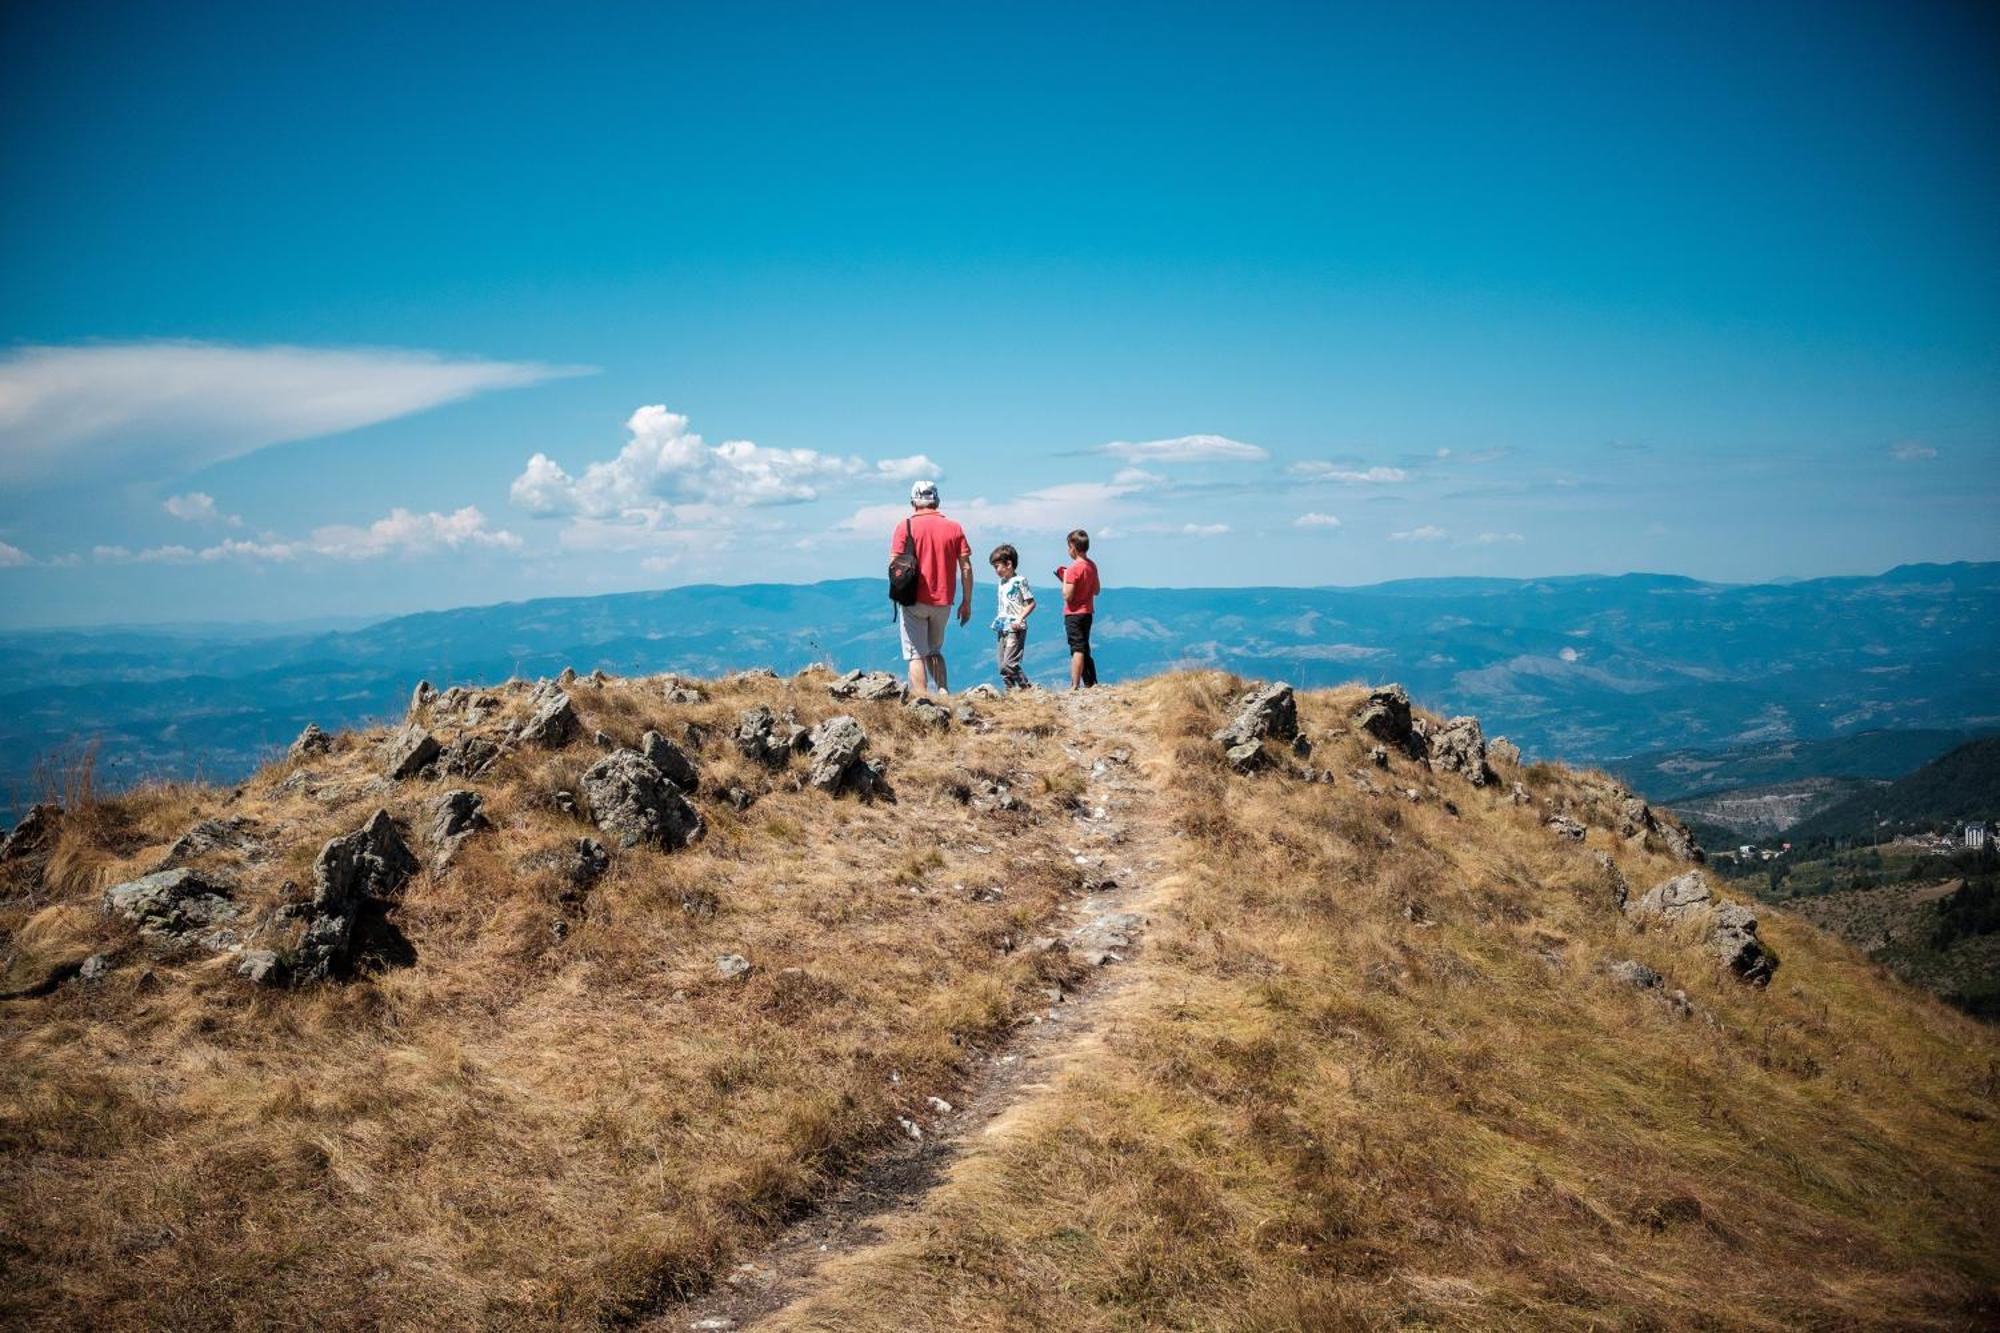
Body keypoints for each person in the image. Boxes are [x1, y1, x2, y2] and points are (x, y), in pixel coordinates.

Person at [888, 479, 972, 695]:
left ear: (913, 501)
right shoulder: (954, 527)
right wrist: (966, 602)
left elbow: (894, 564)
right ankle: (943, 691)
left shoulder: (904, 526)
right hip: (944, 600)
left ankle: (923, 700)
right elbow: (966, 567)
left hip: (913, 598)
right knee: (934, 650)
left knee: (916, 654)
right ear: (936, 500)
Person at [988, 544, 1035, 690]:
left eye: (997, 566)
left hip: (1015, 627)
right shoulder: (1001, 582)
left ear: (1009, 564)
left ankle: (1026, 688)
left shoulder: (1020, 581)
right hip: (1002, 626)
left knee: (1010, 663)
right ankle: (1011, 692)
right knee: (1002, 665)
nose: (996, 570)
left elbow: (1031, 603)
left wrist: (1020, 619)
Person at [1057, 528, 1100, 690]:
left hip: (1074, 614)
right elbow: (1096, 590)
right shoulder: (1092, 565)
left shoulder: (1073, 569)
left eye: (1068, 547)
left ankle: (1074, 686)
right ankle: (1091, 683)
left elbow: (1067, 596)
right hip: (1088, 612)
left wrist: (1065, 579)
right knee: (1084, 647)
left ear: (1073, 546)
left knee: (1077, 649)